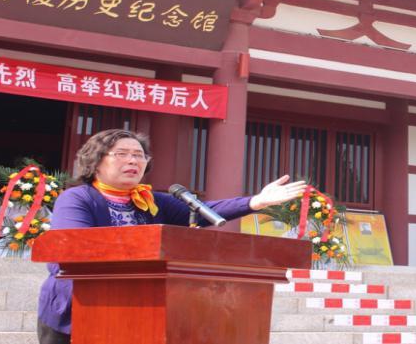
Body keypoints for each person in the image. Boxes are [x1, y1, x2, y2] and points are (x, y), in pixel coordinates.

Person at [36, 129, 305, 344]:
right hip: (76, 311)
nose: (133, 161)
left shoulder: (153, 201)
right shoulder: (77, 198)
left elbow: (205, 211)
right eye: (122, 154)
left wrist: (255, 202)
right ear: (95, 161)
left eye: (139, 155)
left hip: (139, 311)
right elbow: (72, 250)